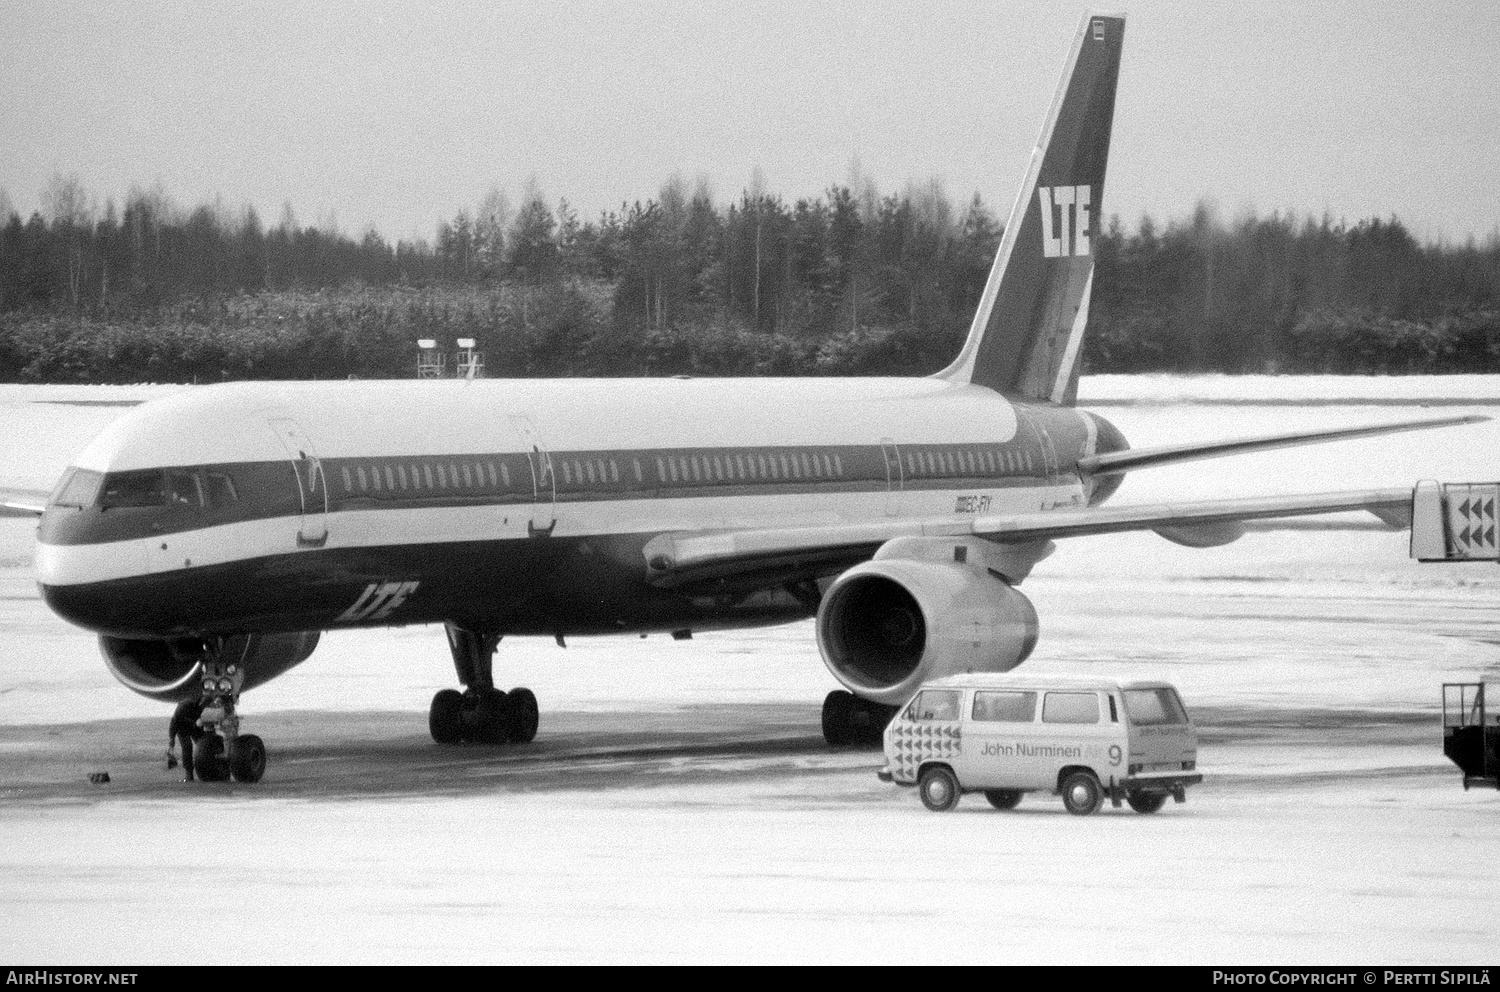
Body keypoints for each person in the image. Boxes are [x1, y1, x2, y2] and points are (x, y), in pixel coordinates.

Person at [167, 697, 206, 782]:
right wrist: (172, 739)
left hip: (195, 726)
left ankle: (206, 769)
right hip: (182, 727)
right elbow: (174, 722)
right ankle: (189, 773)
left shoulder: (204, 707)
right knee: (187, 747)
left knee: (203, 745)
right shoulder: (184, 706)